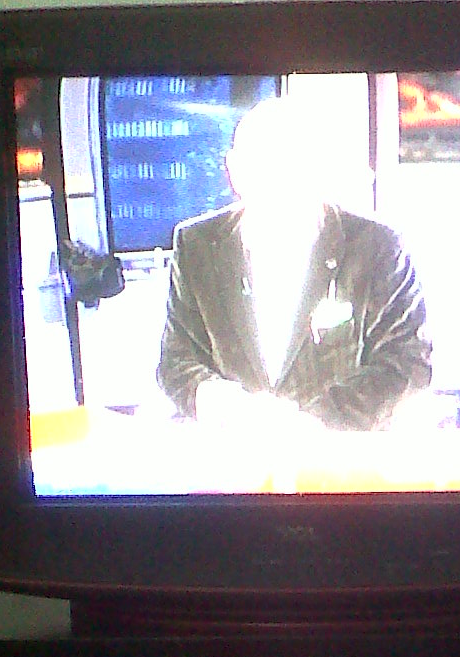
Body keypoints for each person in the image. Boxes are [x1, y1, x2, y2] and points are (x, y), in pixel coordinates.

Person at [156, 94, 432, 432]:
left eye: (294, 163)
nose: (280, 179)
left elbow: (407, 362)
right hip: (234, 450)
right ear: (235, 171)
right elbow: (177, 361)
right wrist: (230, 407)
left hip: (343, 453)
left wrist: (313, 423)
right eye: (264, 164)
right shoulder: (196, 244)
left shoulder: (378, 247)